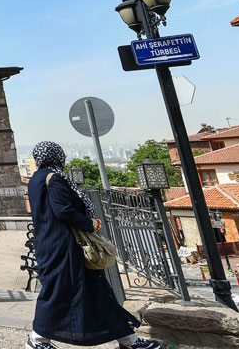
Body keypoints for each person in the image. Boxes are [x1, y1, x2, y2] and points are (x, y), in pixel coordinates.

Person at [27, 141, 161, 349]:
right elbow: (63, 210)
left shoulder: (36, 178)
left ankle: (128, 340)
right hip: (64, 247)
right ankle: (36, 340)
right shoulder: (54, 179)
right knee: (57, 293)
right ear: (57, 156)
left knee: (97, 291)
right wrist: (90, 223)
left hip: (53, 245)